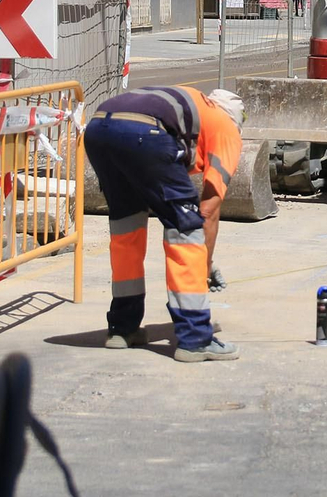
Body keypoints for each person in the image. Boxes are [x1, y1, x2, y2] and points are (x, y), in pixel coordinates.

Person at [83, 85, 244, 361]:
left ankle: (123, 329)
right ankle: (195, 339)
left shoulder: (194, 106)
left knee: (127, 227)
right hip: (145, 133)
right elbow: (209, 209)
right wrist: (204, 265)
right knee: (186, 229)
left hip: (98, 129)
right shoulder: (227, 128)